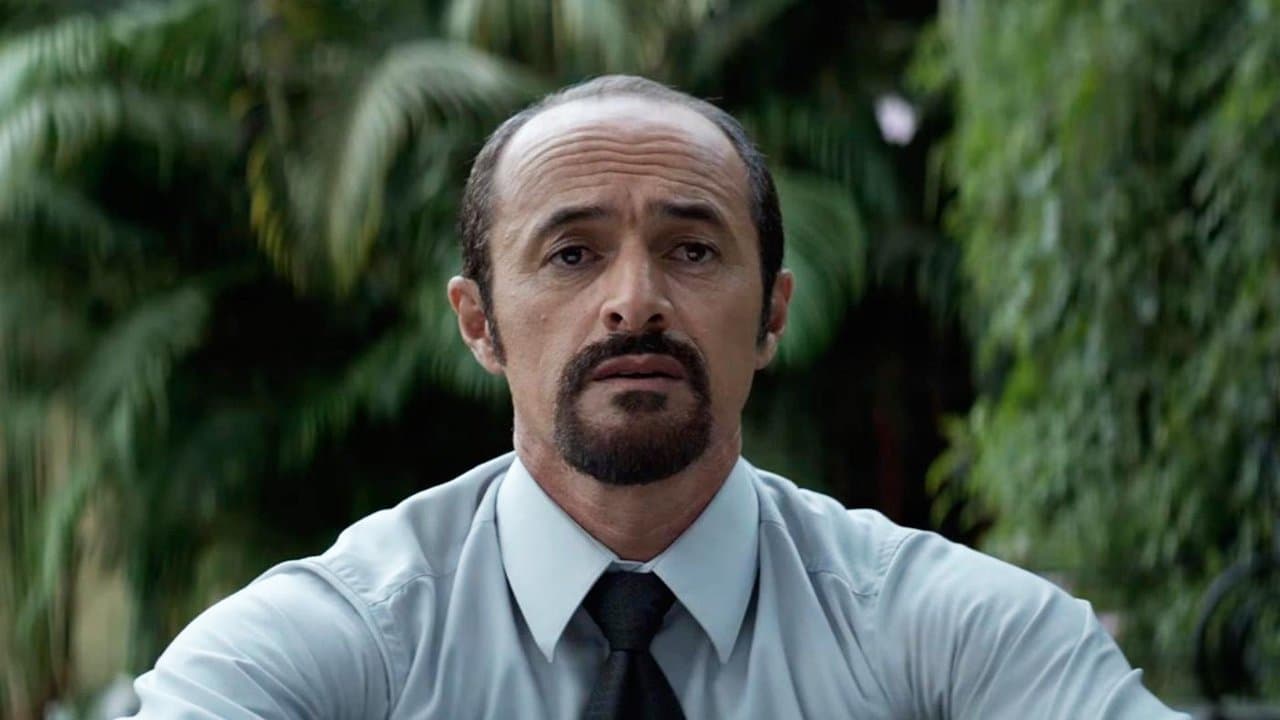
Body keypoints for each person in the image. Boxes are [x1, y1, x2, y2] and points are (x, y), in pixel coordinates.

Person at [124, 75, 1188, 719]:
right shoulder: (344, 645)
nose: (633, 301)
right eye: (572, 253)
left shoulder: (943, 636)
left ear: (770, 315)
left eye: (691, 249)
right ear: (479, 323)